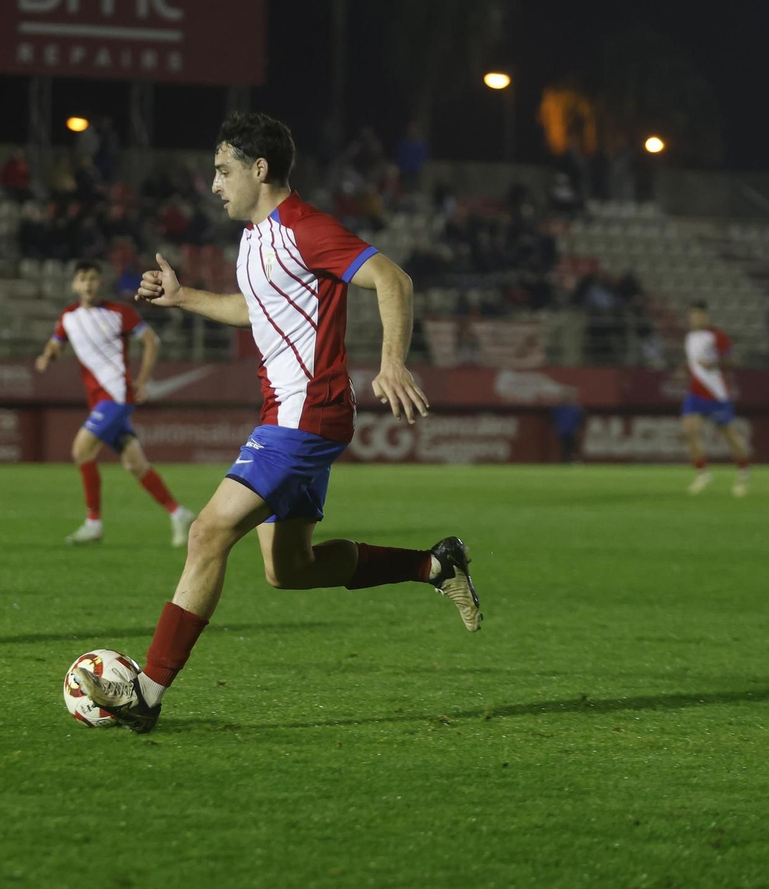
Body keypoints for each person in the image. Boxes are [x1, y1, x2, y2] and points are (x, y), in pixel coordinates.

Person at [72, 111, 482, 734]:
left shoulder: (306, 228)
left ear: (259, 170)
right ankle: (436, 565)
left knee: (208, 532)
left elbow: (391, 278)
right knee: (288, 570)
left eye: (223, 170)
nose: (214, 184)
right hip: (290, 414)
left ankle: (146, 695)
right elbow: (252, 308)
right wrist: (184, 299)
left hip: (304, 414)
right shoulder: (256, 238)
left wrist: (391, 362)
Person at [35, 260, 195, 547]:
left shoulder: (119, 313)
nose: (88, 284)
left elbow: (151, 341)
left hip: (117, 396)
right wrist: (48, 355)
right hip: (99, 400)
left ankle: (93, 523)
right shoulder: (68, 316)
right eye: (82, 278)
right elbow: (56, 342)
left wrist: (143, 380)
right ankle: (178, 513)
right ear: (74, 284)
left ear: (100, 283)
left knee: (81, 450)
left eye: (93, 278)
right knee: (135, 464)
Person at [680, 300, 752, 496]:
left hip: (716, 394)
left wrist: (714, 363)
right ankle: (702, 474)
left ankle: (743, 473)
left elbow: (732, 360)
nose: (695, 319)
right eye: (692, 315)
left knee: (729, 435)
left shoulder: (716, 336)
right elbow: (695, 364)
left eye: (699, 315)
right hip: (695, 392)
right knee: (689, 430)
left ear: (706, 316)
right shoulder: (689, 337)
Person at [552, 388, 584, 463]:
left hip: (572, 431)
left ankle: (574, 461)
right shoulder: (558, 409)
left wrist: (578, 429)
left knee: (573, 448)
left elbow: (580, 419)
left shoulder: (575, 408)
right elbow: (554, 419)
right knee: (564, 448)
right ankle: (564, 462)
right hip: (562, 431)